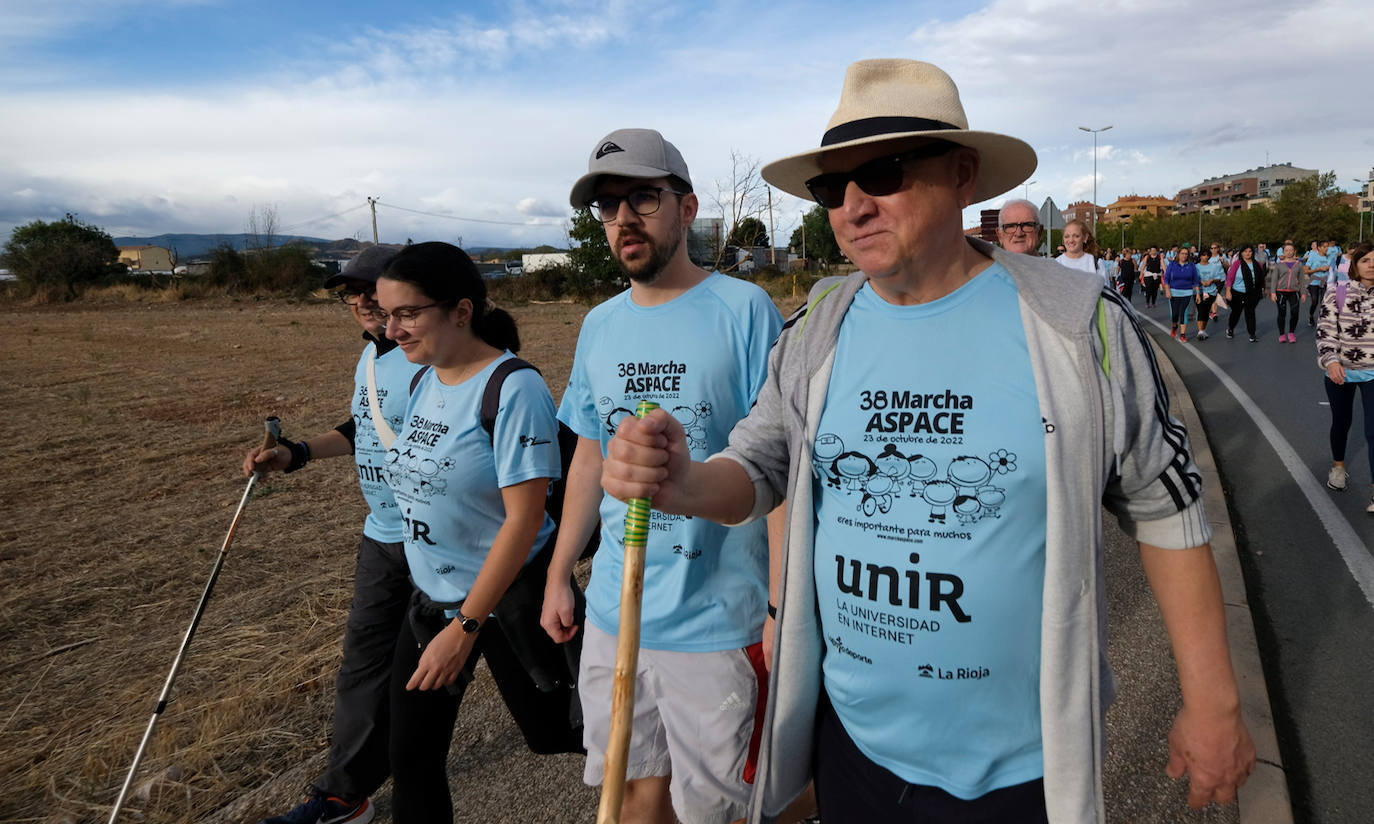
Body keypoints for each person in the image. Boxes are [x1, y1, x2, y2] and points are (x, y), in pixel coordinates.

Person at [602, 58, 1254, 824]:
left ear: (963, 175)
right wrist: (683, 482)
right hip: (852, 747)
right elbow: (760, 464)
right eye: (829, 188)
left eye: (881, 173)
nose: (851, 207)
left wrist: (1214, 705)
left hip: (1017, 771)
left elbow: (1165, 505)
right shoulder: (818, 327)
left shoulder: (1075, 323)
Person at [541, 128, 784, 824]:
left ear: (686, 207)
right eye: (608, 205)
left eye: (642, 197)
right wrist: (562, 574)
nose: (623, 219)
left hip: (722, 618)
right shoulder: (599, 325)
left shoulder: (744, 312)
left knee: (720, 808)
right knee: (634, 792)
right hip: (618, 614)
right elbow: (590, 454)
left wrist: (779, 608)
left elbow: (777, 465)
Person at [375, 241, 565, 822]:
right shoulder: (422, 380)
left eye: (408, 314)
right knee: (411, 755)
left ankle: (681, 787)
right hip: (432, 602)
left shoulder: (513, 388)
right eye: (387, 315)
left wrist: (464, 627)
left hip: (508, 603)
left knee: (558, 732)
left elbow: (526, 519)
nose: (393, 330)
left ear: (461, 311)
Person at [244, 245, 418, 824]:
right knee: (365, 666)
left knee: (528, 665)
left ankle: (619, 732)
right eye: (352, 292)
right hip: (383, 536)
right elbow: (362, 425)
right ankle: (347, 795)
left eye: (375, 287)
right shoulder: (369, 362)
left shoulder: (433, 358)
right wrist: (295, 454)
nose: (363, 300)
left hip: (444, 543)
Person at [1316, 241, 1374, 511]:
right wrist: (1331, 362)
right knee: (1342, 422)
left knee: (1373, 431)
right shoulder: (1337, 291)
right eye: (1365, 260)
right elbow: (1326, 331)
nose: (1371, 265)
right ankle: (1338, 467)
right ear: (1355, 265)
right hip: (1342, 370)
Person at [1226, 244, 1268, 342]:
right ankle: (1230, 328)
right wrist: (1228, 291)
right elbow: (1230, 278)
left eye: (1250, 251)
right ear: (1241, 253)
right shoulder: (1237, 264)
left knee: (1250, 313)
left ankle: (1252, 334)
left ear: (1253, 253)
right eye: (1245, 251)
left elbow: (1262, 278)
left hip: (1253, 293)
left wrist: (1264, 289)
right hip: (1238, 293)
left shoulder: (1258, 264)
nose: (1247, 253)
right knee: (1236, 313)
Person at [1271, 242, 1310, 344]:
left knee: (1295, 313)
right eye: (1286, 250)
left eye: (1291, 250)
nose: (1289, 252)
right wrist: (1273, 293)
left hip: (1294, 292)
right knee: (1281, 313)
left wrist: (1303, 293)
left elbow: (1301, 280)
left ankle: (1291, 333)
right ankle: (1282, 334)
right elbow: (1274, 280)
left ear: (1294, 251)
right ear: (1283, 252)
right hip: (1281, 292)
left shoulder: (1299, 265)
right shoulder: (1279, 265)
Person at [1163, 244, 1200, 342]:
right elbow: (1166, 279)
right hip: (1173, 292)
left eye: (1186, 254)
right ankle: (1174, 326)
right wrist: (1167, 290)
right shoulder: (1172, 265)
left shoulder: (1191, 266)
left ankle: (1183, 334)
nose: (1184, 256)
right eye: (1182, 253)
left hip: (1187, 292)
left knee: (1183, 313)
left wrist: (1198, 294)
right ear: (1178, 254)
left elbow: (1196, 280)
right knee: (1174, 314)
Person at [1055, 219, 1106, 284]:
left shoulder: (1096, 264)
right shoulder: (1055, 264)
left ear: (1085, 238)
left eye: (1076, 236)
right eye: (1067, 236)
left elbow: (1104, 291)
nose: (1071, 240)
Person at [1195, 248, 1224, 338]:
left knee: (1206, 311)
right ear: (1200, 256)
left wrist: (1212, 280)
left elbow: (1219, 278)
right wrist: (1201, 281)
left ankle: (1203, 330)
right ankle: (1200, 331)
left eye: (1207, 255)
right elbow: (1192, 278)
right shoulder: (1195, 267)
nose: (1206, 257)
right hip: (1199, 291)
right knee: (1200, 310)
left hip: (1211, 292)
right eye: (1203, 255)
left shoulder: (1213, 266)